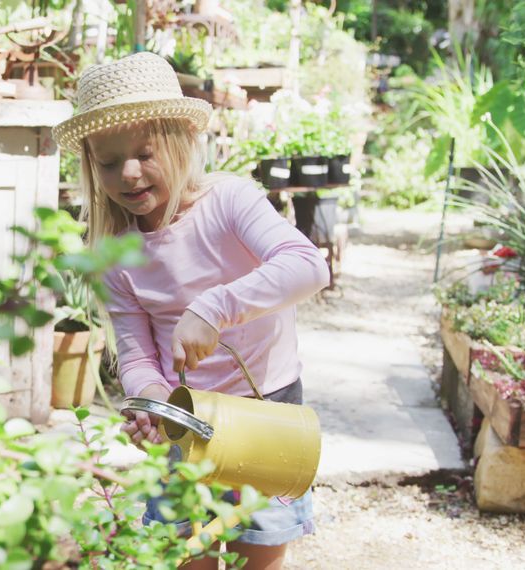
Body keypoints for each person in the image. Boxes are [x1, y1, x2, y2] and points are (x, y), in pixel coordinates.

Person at [52, 52, 330, 570]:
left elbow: (308, 266)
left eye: (144, 153)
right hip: (186, 421)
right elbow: (136, 355)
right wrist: (151, 402)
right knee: (183, 557)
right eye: (109, 163)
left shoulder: (230, 202)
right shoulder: (114, 251)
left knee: (259, 552)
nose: (128, 174)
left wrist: (215, 306)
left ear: (181, 140)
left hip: (265, 407)